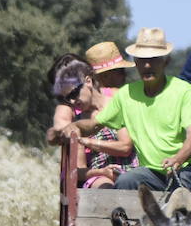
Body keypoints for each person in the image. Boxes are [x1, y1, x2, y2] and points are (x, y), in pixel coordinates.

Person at [68, 28, 191, 192]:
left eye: (154, 59)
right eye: (142, 60)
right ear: (135, 61)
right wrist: (73, 127)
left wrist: (177, 159)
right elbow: (94, 125)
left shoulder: (184, 91)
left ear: (166, 61)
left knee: (179, 188)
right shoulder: (126, 94)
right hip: (152, 173)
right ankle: (127, 218)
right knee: (126, 181)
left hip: (189, 169)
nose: (147, 65)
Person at [45, 54, 134, 188]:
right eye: (65, 98)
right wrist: (102, 172)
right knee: (105, 188)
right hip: (96, 175)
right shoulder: (72, 114)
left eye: (74, 93)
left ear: (88, 81)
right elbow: (58, 131)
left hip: (131, 167)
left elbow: (126, 147)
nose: (72, 101)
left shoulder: (117, 98)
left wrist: (87, 140)